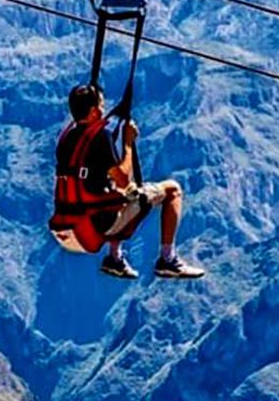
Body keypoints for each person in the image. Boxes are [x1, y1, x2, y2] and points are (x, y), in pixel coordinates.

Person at [55, 85, 205, 280]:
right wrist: (127, 142)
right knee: (172, 190)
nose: (103, 108)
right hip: (95, 227)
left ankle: (115, 258)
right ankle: (168, 260)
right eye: (101, 104)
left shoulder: (67, 138)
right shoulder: (100, 137)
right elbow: (124, 179)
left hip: (69, 225)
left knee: (113, 191)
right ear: (93, 111)